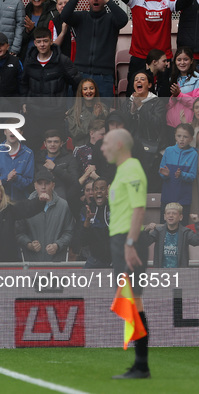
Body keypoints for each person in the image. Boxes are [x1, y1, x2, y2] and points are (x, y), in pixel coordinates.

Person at [100, 128, 150, 379]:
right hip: (121, 240)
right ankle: (140, 363)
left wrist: (130, 243)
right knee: (131, 302)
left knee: (134, 301)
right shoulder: (123, 170)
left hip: (128, 241)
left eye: (106, 142)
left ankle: (141, 364)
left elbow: (140, 208)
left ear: (119, 144)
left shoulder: (132, 169)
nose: (102, 147)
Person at [21, 27, 81, 148]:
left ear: (51, 41)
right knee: (33, 149)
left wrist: (72, 106)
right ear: (35, 43)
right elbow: (23, 83)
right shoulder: (29, 61)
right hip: (34, 115)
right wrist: (24, 102)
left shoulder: (62, 61)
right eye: (39, 41)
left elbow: (78, 83)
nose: (42, 44)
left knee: (57, 151)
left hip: (56, 115)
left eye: (45, 41)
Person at [123, 0, 192, 95]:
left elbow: (185, 3)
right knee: (134, 94)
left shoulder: (169, 2)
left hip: (163, 58)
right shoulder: (135, 1)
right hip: (140, 56)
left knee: (164, 96)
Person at [61, 0, 128, 97]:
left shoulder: (111, 19)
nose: (96, 0)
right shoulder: (81, 17)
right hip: (80, 74)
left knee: (103, 111)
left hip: (103, 76)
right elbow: (65, 15)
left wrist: (109, 1)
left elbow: (123, 19)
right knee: (76, 110)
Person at [120, 70, 167, 192]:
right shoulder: (127, 103)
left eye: (142, 79)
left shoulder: (157, 103)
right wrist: (132, 110)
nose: (138, 81)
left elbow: (157, 124)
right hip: (132, 150)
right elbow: (122, 125)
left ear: (150, 85)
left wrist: (140, 106)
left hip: (150, 151)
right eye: (136, 80)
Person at [15, 169, 74, 262]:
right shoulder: (25, 206)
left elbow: (69, 232)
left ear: (53, 185)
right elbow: (18, 233)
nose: (43, 187)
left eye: (47, 183)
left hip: (57, 263)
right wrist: (29, 244)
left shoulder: (64, 206)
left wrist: (57, 245)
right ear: (35, 185)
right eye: (40, 183)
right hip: (32, 263)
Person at [158, 123, 198, 225]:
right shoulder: (168, 150)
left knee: (181, 229)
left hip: (183, 199)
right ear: (175, 136)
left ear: (190, 139)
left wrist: (182, 174)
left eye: (185, 137)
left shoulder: (193, 154)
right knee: (164, 227)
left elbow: (192, 176)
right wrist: (165, 174)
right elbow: (161, 171)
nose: (181, 139)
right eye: (179, 136)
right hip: (168, 197)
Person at [144, 203, 199, 268]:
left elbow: (196, 241)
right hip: (161, 273)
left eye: (174, 213)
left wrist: (197, 223)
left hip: (180, 273)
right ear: (164, 216)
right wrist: (146, 230)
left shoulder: (185, 232)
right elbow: (145, 243)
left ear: (180, 217)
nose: (171, 215)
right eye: (168, 213)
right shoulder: (158, 231)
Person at [0, 128, 35, 201]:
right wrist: (6, 177)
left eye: (16, 129)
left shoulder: (28, 153)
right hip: (1, 201)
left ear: (21, 133)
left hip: (22, 200)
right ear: (5, 131)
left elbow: (29, 182)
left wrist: (16, 178)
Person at [34, 129, 79, 200]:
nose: (52, 144)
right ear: (45, 144)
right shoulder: (38, 158)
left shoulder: (69, 158)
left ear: (61, 143)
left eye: (56, 142)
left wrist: (55, 168)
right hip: (40, 196)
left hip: (62, 199)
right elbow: (33, 180)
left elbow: (74, 181)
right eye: (49, 142)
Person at [65, 79, 108, 148]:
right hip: (82, 147)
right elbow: (75, 134)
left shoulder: (103, 108)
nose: (88, 91)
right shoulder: (74, 111)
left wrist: (101, 115)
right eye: (85, 89)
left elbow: (107, 129)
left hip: (101, 147)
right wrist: (93, 116)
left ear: (95, 90)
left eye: (91, 88)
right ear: (81, 92)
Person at [80, 177, 111, 268]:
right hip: (95, 260)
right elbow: (83, 242)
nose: (99, 192)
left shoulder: (115, 208)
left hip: (115, 260)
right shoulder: (86, 210)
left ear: (107, 190)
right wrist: (87, 221)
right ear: (93, 192)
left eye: (102, 189)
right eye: (96, 189)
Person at [167, 47, 199, 128]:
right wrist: (173, 97)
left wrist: (179, 95)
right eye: (179, 60)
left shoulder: (197, 79)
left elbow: (196, 104)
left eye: (185, 59)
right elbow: (168, 105)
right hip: (171, 125)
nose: (182, 62)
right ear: (175, 62)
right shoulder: (173, 78)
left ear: (191, 61)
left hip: (189, 125)